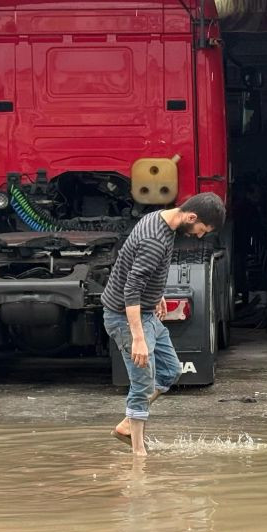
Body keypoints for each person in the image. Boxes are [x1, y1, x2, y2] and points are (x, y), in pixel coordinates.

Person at [102, 192, 226, 455]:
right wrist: (137, 337)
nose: (200, 236)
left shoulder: (160, 220)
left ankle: (127, 425)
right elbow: (131, 289)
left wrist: (158, 294)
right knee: (143, 383)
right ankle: (139, 456)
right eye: (201, 229)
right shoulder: (154, 240)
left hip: (147, 312)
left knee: (170, 371)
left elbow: (141, 269)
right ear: (191, 217)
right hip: (127, 317)